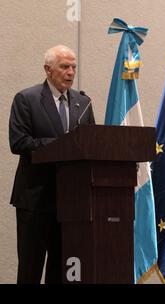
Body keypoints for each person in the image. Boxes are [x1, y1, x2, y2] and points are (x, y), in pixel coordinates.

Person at [9, 45, 95, 284]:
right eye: (64, 67)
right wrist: (63, 144)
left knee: (61, 270)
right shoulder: (26, 99)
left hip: (70, 202)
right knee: (30, 269)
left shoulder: (83, 102)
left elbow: (92, 143)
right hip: (35, 200)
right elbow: (19, 142)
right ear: (48, 69)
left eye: (74, 67)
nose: (70, 72)